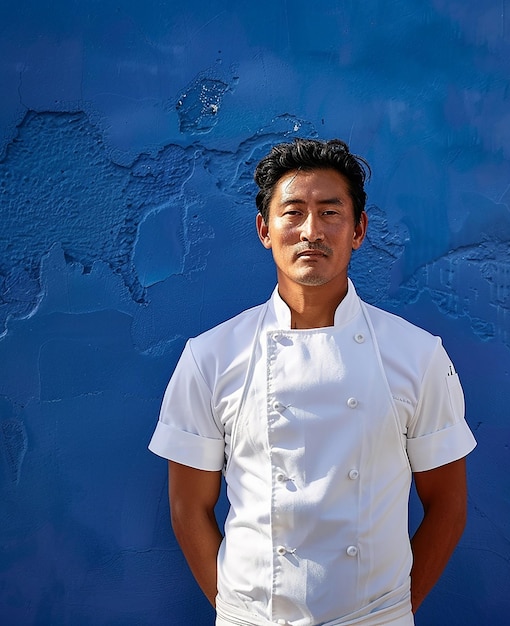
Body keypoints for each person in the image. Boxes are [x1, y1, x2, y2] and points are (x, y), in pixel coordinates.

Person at [148, 138, 476, 626]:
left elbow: (447, 503)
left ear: (359, 229)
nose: (311, 231)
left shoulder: (417, 355)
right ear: (265, 229)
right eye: (293, 212)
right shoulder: (210, 357)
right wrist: (237, 613)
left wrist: (393, 612)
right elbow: (187, 506)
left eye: (329, 213)